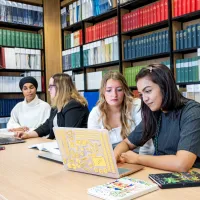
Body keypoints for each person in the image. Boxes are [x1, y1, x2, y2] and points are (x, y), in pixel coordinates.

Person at [114, 64, 200, 172]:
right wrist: (115, 156)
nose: (144, 99)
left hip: (191, 180)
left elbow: (182, 164)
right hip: (162, 175)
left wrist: (137, 158)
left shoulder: (192, 112)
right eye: (141, 94)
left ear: (165, 86)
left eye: (148, 91)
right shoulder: (155, 112)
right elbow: (126, 143)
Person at [88, 71, 154, 154]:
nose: (114, 95)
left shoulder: (137, 106)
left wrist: (142, 162)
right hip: (109, 159)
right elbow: (93, 146)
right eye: (109, 90)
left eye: (119, 90)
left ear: (125, 91)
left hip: (136, 159)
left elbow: (147, 143)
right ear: (103, 92)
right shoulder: (96, 113)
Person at [14, 73, 89, 139]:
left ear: (61, 87)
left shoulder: (74, 106)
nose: (49, 90)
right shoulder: (57, 105)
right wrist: (28, 135)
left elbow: (69, 134)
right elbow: (47, 126)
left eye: (51, 87)